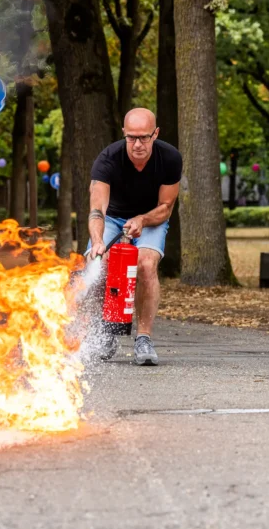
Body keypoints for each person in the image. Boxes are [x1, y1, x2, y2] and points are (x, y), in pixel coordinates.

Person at [86, 108, 181, 366]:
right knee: (99, 264)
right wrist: (97, 242)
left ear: (156, 134)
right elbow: (97, 210)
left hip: (152, 217)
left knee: (146, 264)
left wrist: (142, 219)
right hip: (113, 218)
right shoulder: (107, 159)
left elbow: (166, 207)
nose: (137, 144)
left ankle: (143, 338)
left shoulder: (170, 158)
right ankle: (107, 330)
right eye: (131, 138)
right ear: (124, 134)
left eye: (144, 137)